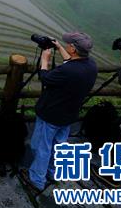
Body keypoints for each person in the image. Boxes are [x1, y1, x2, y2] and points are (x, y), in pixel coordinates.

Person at [21, 32, 97, 193]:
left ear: (74, 49)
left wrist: (44, 61)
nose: (67, 45)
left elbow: (46, 78)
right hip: (68, 115)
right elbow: (72, 64)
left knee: (41, 147)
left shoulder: (68, 71)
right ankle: (52, 172)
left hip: (51, 114)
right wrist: (60, 48)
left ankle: (36, 180)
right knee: (58, 146)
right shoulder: (91, 65)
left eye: (68, 44)